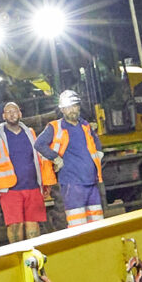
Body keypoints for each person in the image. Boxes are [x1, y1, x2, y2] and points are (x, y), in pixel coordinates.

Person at [0, 96, 55, 242]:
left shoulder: (30, 133)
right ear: (3, 116)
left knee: (33, 224)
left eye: (14, 111)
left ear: (20, 114)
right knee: (14, 225)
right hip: (10, 190)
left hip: (32, 186)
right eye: (8, 111)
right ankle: (18, 255)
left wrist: (44, 182)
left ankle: (33, 255)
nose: (11, 114)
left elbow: (40, 159)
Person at [38, 90, 106, 228]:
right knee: (77, 224)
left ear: (79, 107)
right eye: (68, 107)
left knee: (98, 223)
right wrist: (55, 158)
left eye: (74, 106)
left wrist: (99, 154)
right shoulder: (55, 127)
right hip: (72, 183)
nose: (72, 110)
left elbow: (96, 142)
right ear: (62, 109)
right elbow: (39, 144)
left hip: (91, 182)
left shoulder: (85, 125)